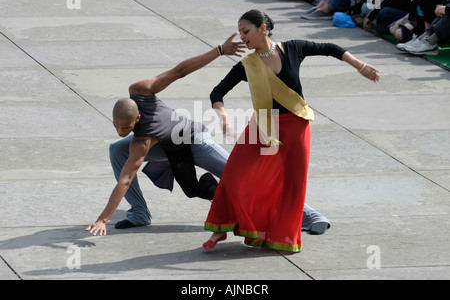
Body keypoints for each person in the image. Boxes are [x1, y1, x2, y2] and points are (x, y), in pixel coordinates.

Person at [85, 33, 331, 236]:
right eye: (117, 125)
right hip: (165, 144)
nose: (120, 130)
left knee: (241, 176)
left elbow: (180, 71)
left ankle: (309, 215)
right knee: (116, 148)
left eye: (126, 127)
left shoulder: (142, 120)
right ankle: (139, 212)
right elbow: (125, 176)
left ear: (137, 118)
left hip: (193, 140)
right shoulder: (137, 107)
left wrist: (103, 219)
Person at [203, 10, 380, 252]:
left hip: (295, 124)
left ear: (263, 28)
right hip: (264, 125)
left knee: (292, 185)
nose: (243, 37)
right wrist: (222, 115)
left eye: (246, 31)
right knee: (235, 175)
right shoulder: (248, 64)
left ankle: (282, 236)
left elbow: (330, 48)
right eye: (241, 32)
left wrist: (359, 65)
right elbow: (217, 92)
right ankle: (221, 228)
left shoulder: (293, 48)